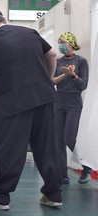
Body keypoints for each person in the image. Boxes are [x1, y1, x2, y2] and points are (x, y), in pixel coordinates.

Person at [0, 7, 63, 210]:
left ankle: (0, 198)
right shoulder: (29, 33)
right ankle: (53, 195)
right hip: (44, 98)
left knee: (9, 150)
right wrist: (48, 81)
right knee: (47, 148)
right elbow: (51, 54)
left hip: (13, 103)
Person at [53, 32, 91, 185]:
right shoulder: (57, 61)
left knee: (69, 137)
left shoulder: (82, 61)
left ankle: (86, 166)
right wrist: (64, 75)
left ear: (70, 43)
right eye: (59, 42)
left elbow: (84, 84)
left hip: (74, 101)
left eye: (63, 42)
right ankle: (63, 175)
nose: (61, 45)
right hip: (58, 101)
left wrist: (73, 75)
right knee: (58, 141)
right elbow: (52, 81)